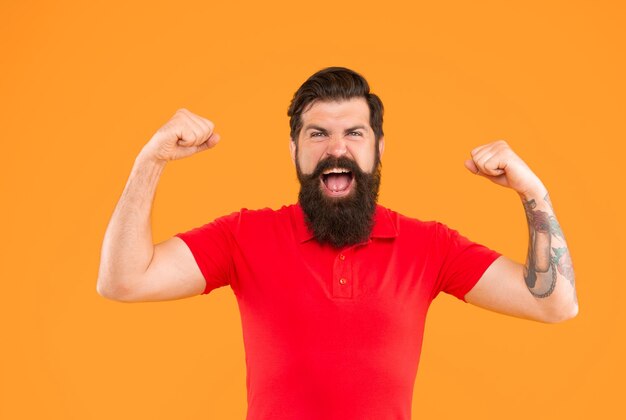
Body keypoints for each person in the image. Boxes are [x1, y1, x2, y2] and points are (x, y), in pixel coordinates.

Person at [97, 67, 578, 420]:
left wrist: (533, 192)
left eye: (354, 132)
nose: (337, 148)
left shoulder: (430, 246)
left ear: (378, 147)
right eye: (318, 134)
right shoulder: (244, 236)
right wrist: (151, 160)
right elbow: (123, 281)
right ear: (295, 149)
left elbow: (554, 304)